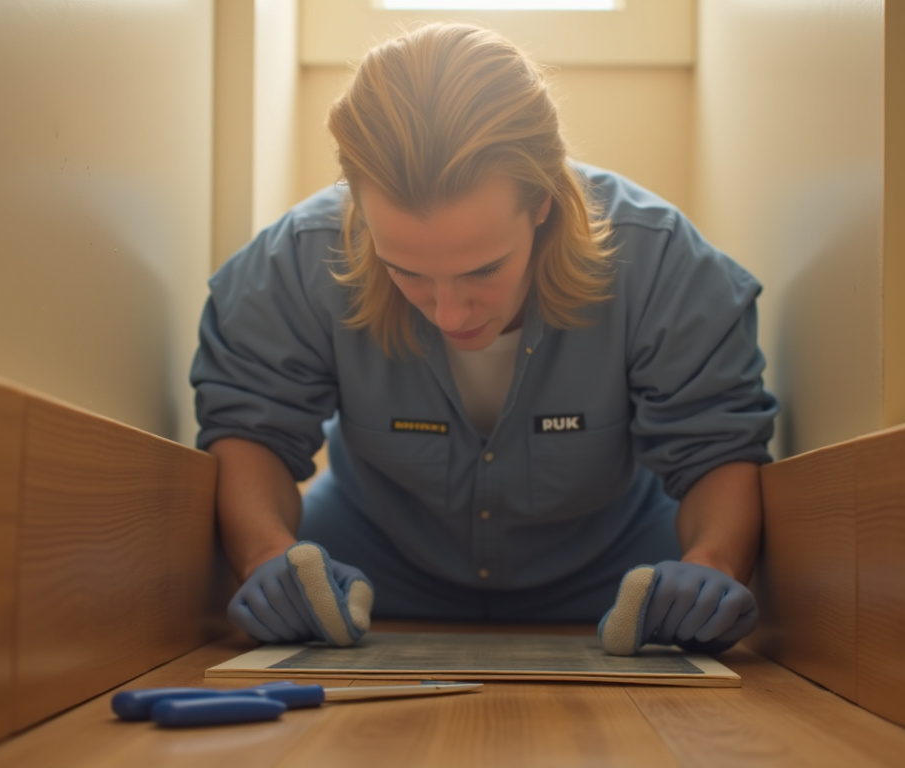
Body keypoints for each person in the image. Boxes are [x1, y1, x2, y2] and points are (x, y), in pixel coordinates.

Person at [190, 22, 777, 656]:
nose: (448, 313)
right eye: (406, 271)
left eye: (483, 269)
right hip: (369, 569)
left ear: (544, 202)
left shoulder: (664, 266)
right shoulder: (295, 263)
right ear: (359, 208)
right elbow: (251, 429)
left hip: (618, 578)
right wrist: (266, 556)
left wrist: (713, 565)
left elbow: (718, 448)